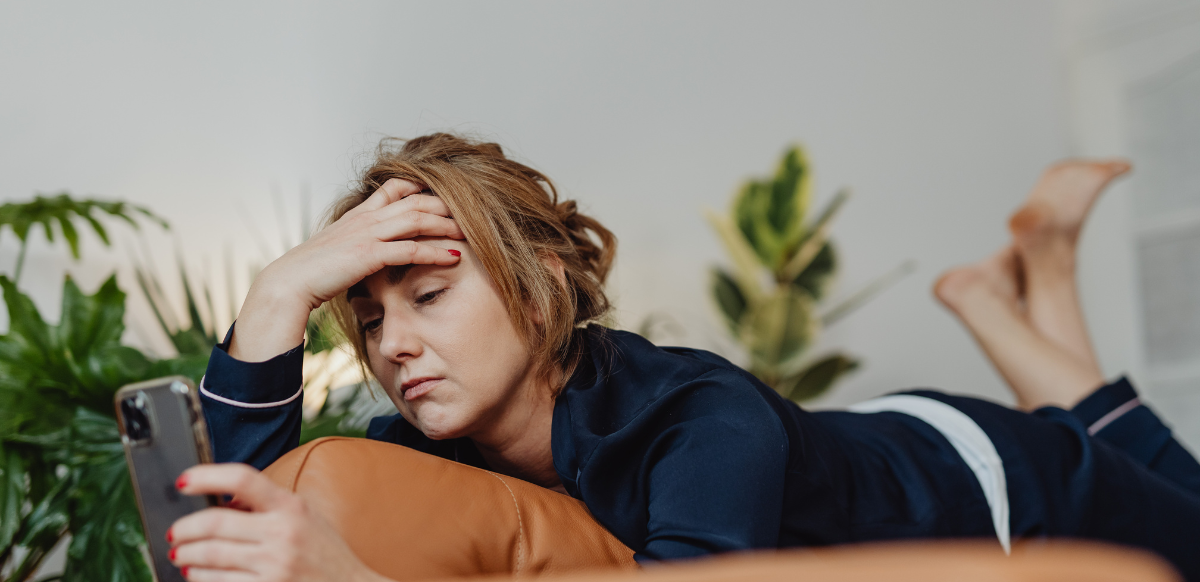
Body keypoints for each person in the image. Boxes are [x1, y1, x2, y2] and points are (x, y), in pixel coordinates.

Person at [167, 134, 1200, 582]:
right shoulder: (426, 447)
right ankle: (1018, 290)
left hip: (996, 476)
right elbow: (235, 531)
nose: (394, 346)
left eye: (429, 296)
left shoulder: (696, 415)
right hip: (877, 438)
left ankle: (1026, 290)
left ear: (539, 288)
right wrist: (276, 296)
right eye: (368, 317)